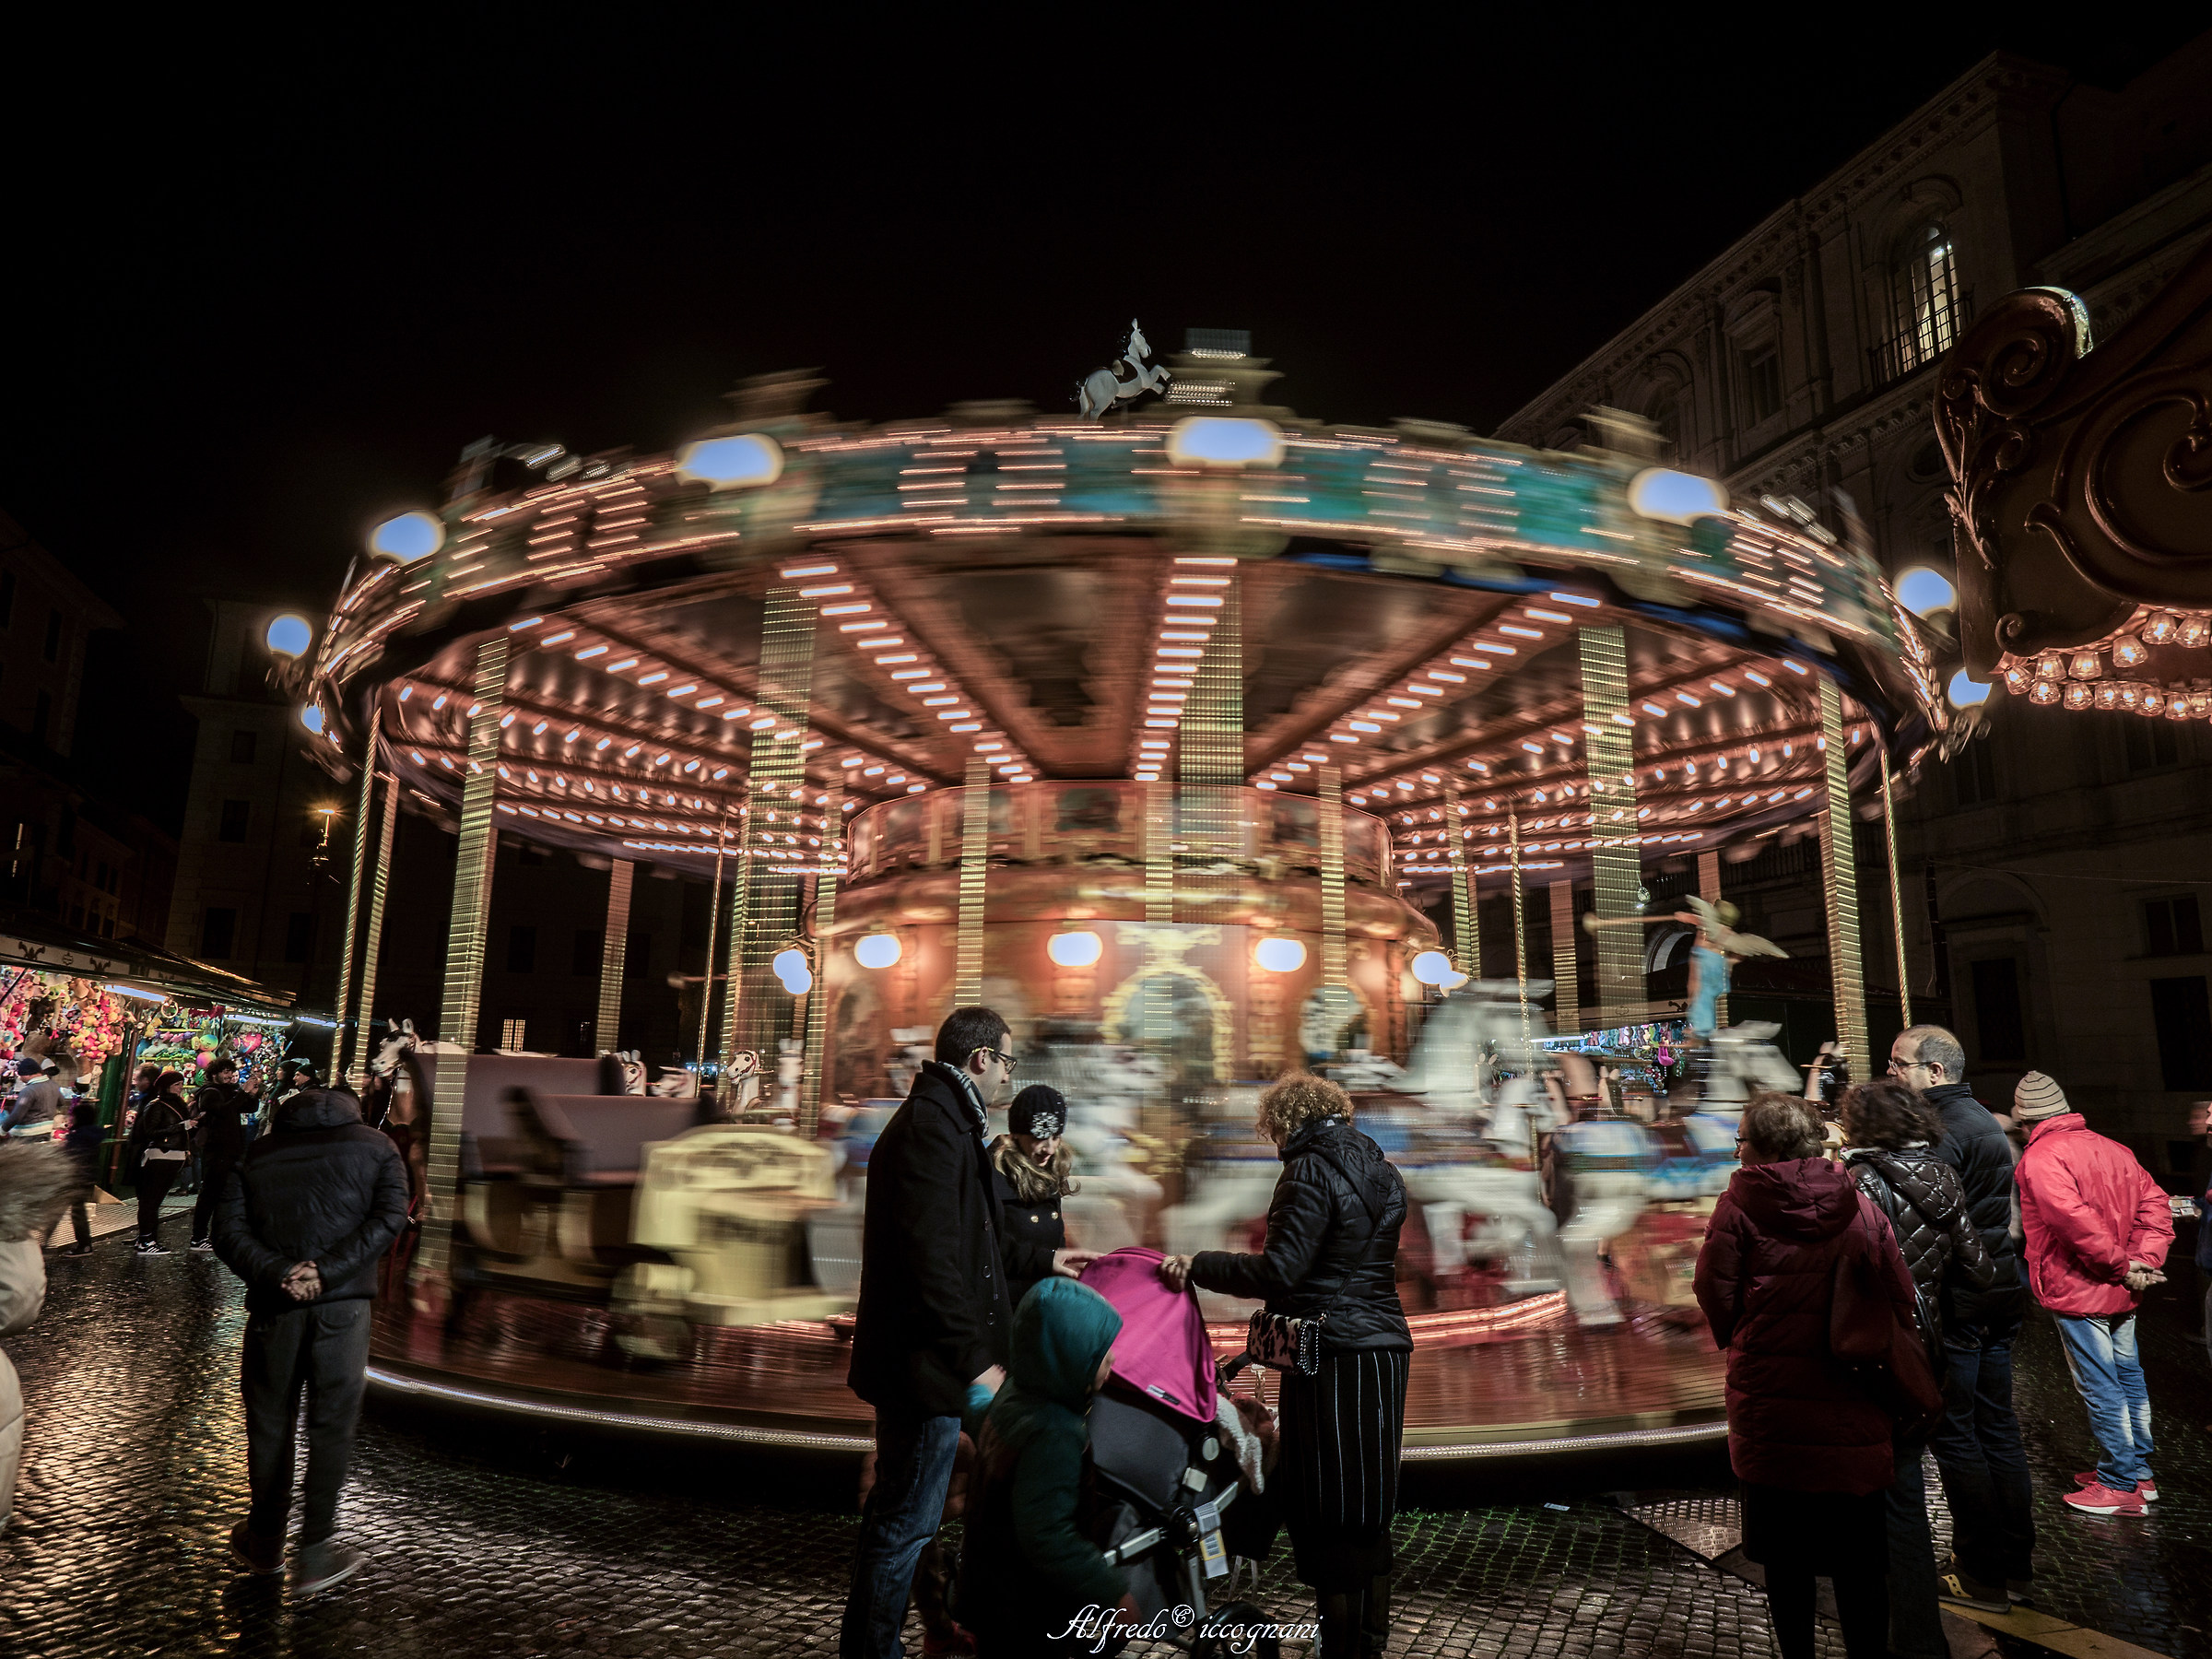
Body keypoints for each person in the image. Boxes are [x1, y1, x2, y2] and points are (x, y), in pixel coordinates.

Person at [1160, 1073, 1410, 1659]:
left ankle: (1341, 1653)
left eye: (1271, 1128)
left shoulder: (1307, 1169)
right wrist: (1254, 1349)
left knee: (1327, 1507)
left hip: (1332, 1358)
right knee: (1369, 1506)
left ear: (1286, 1121)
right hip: (1385, 1351)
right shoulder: (1382, 1167)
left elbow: (1282, 1273)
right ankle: (1367, 1647)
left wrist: (1198, 1264)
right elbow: (1342, 1273)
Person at [1693, 1092, 1917, 1659]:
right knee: (1859, 1558)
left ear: (1763, 1145)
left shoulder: (1737, 1206)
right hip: (1853, 1393)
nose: (1736, 1147)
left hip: (1773, 1404)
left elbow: (1714, 1292)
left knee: (1786, 1559)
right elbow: (1899, 1290)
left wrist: (1750, 1337)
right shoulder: (1860, 1201)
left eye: (1740, 1138)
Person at [842, 1006, 1023, 1659]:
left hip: (928, 1365)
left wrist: (1043, 1261)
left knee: (905, 1521)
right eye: (1007, 1061)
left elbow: (969, 1237)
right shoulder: (933, 1129)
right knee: (904, 1528)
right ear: (980, 1059)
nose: (1008, 1076)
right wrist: (976, 1360)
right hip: (923, 1371)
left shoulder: (945, 1122)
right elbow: (931, 1258)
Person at [211, 1084, 409, 1594]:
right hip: (343, 1308)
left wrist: (281, 1274)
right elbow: (389, 1218)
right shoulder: (377, 1146)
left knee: (270, 1422)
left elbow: (227, 1231)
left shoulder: (259, 1152)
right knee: (331, 1425)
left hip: (274, 1308)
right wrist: (328, 1272)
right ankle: (316, 1550)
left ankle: (264, 1539)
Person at [1839, 1080, 1994, 1653]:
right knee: (1904, 1490)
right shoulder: (1944, 1177)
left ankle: (1888, 1637)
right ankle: (1921, 1637)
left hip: (1874, 1348)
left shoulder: (1857, 1183)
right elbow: (1980, 1270)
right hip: (1926, 1348)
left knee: (1875, 1495)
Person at [1888, 1023, 2035, 1607]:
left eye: (1901, 1065)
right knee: (1998, 1428)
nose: (1892, 1074)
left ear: (1936, 1073)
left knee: (1957, 1433)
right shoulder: (1982, 1121)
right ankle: (2015, 1563)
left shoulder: (1944, 1130)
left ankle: (1981, 1573)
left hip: (1962, 1299)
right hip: (1999, 1287)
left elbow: (1931, 1222)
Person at [2009, 1071, 2173, 1519]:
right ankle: (2138, 1471)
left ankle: (2120, 1482)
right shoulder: (2113, 1148)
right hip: (2121, 1285)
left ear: (2026, 1120)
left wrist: (2123, 1266)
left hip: (2081, 1287)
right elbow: (2156, 1205)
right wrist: (2143, 1262)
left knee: (2101, 1385)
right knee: (2127, 1376)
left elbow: (2072, 1222)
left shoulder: (2041, 1156)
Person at [956, 1277, 1134, 1656]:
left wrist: (974, 1392)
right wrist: (1111, 1590)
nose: (1113, 1359)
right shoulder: (1054, 1433)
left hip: (985, 1583)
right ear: (1070, 1358)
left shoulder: (1014, 1395)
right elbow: (1047, 1536)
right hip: (1024, 1605)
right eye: (1101, 1353)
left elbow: (979, 1415)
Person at [990, 1085, 1088, 1311]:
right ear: (1016, 1132)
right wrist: (1046, 1260)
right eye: (1041, 1137)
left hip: (1045, 1300)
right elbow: (987, 1246)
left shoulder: (1050, 1169)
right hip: (1010, 1305)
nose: (1050, 1148)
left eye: (1056, 1137)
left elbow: (1054, 1238)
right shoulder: (992, 1176)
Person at [190, 1057, 254, 1253]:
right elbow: (224, 1111)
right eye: (224, 1072)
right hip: (216, 1149)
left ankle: (215, 1234)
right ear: (214, 1074)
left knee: (223, 1194)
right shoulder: (210, 1093)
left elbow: (249, 1108)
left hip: (231, 1149)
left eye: (230, 1072)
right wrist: (243, 1093)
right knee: (210, 1193)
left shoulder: (229, 1092)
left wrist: (252, 1094)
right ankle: (198, 1236)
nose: (228, 1076)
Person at [126, 1071, 194, 1255]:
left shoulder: (179, 1105)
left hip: (174, 1157)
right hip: (160, 1156)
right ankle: (146, 1240)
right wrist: (182, 1126)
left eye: (181, 1084)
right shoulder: (157, 1105)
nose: (180, 1088)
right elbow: (152, 1131)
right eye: (177, 1085)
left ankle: (147, 1238)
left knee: (154, 1201)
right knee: (150, 1201)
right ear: (166, 1087)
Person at [54, 1087, 103, 1257]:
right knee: (77, 1210)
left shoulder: (78, 1137)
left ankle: (83, 1245)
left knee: (73, 1211)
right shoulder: (92, 1135)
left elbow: (72, 1156)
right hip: (86, 1178)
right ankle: (84, 1244)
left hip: (75, 1178)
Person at [0, 1057, 59, 1139]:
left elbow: (17, 1116)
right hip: (46, 1131)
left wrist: (2, 1130)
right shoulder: (54, 1086)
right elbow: (61, 1102)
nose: (20, 1078)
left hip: (27, 1134)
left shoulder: (28, 1091)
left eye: (21, 1075)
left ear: (27, 1075)